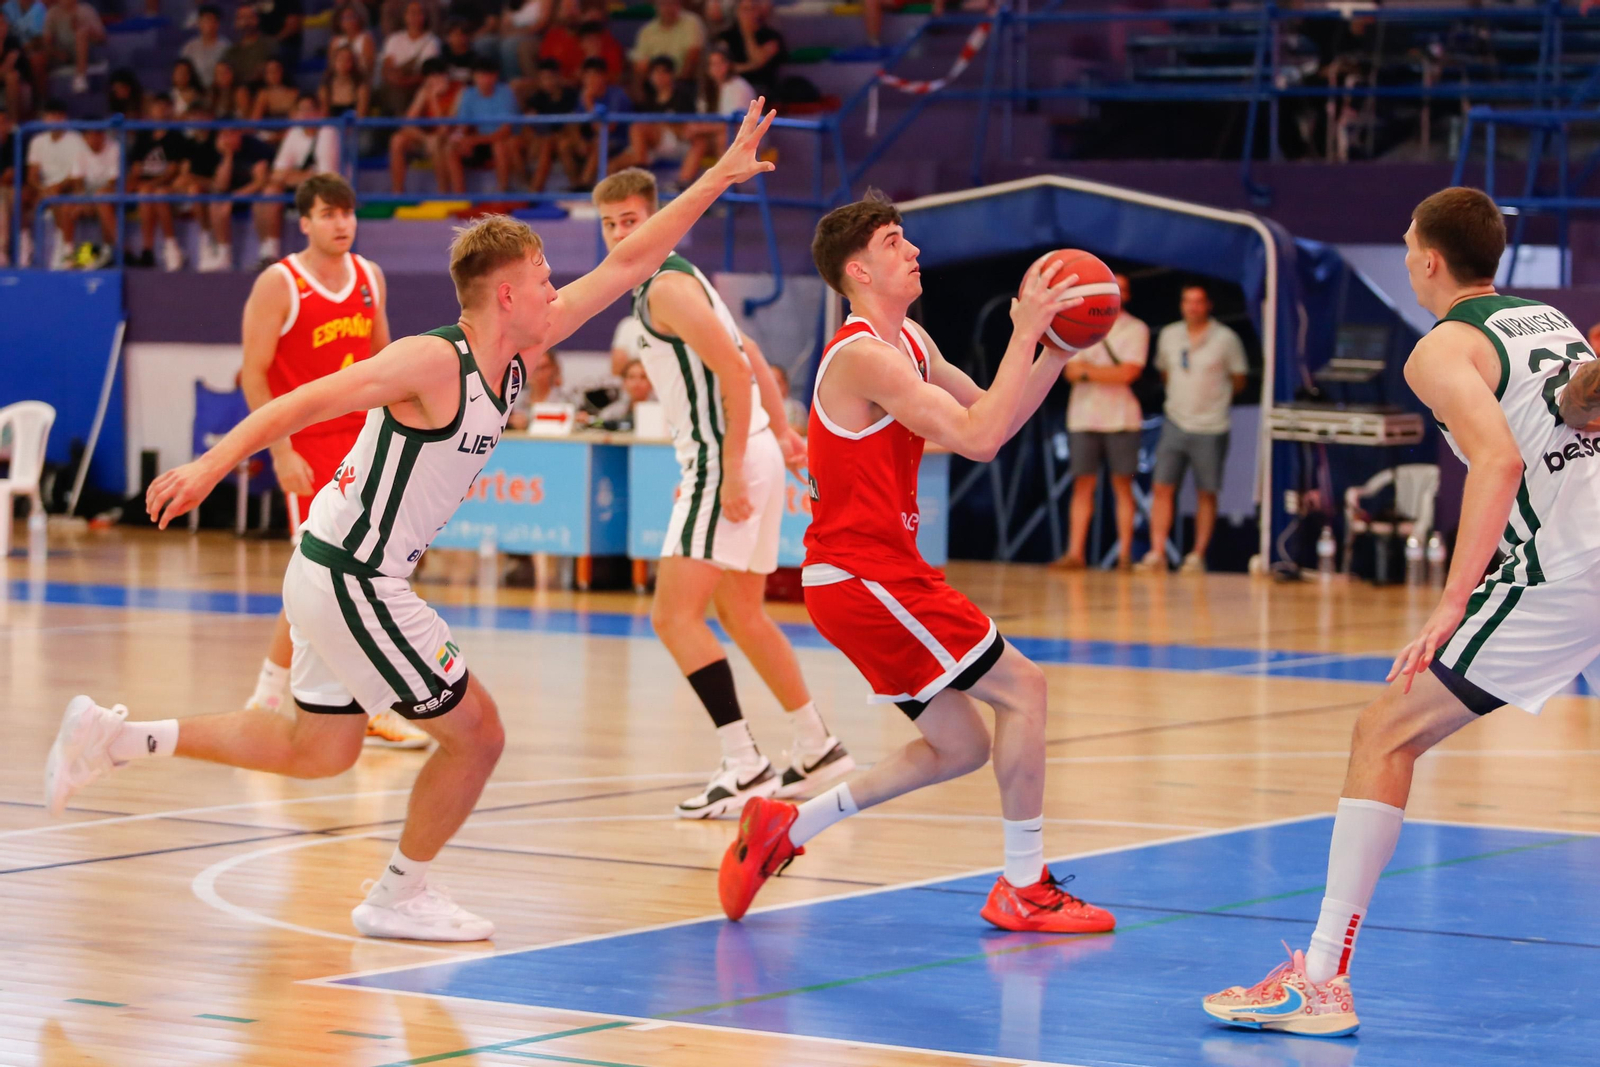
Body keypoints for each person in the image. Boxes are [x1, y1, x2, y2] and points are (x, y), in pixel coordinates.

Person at [45, 102, 777, 943]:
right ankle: (400, 891)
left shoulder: (516, 348)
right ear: (509, 294)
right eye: (544, 279)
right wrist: (212, 465)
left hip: (336, 569)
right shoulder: (435, 360)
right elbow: (302, 398)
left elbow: (635, 257)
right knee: (479, 734)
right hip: (355, 576)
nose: (558, 289)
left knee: (319, 749)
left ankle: (114, 738)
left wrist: (718, 177)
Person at [1204, 186, 1600, 1034]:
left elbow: (1495, 464)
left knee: (1383, 730)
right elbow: (1578, 418)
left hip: (1566, 566)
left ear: (1426, 259)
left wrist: (1451, 603)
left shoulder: (1438, 351)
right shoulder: (1551, 323)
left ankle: (1319, 981)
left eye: (1409, 241)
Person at [716, 191, 1117, 936]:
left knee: (960, 744)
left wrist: (1054, 349)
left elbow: (995, 414)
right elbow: (976, 435)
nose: (915, 252)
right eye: (897, 243)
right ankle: (1024, 884)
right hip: (862, 574)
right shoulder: (863, 355)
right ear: (859, 270)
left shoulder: (914, 344)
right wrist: (1026, 330)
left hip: (873, 575)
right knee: (1025, 690)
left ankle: (787, 827)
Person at [593, 167, 852, 817]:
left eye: (633, 219)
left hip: (725, 456)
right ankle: (818, 745)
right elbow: (754, 349)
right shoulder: (681, 276)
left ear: (659, 218)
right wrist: (783, 434)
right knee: (742, 613)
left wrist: (732, 465)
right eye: (611, 224)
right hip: (749, 446)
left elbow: (736, 367)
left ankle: (745, 764)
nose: (622, 232)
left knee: (672, 615)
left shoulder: (667, 287)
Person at [232, 174, 430, 748]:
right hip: (307, 443)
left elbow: (386, 363)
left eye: (347, 213)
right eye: (328, 214)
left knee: (367, 573)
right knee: (315, 577)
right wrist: (281, 449)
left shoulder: (370, 277)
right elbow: (253, 372)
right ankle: (272, 694)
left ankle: (353, 700)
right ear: (304, 223)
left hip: (367, 439)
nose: (342, 223)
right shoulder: (280, 283)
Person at [1137, 284, 1247, 573]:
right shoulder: (1170, 335)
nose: (1192, 307)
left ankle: (1197, 555)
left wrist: (1214, 399)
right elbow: (1164, 372)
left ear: (1208, 305)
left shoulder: (1226, 338)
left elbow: (1239, 379)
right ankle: (1157, 552)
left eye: (1198, 302)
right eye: (1187, 301)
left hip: (1211, 425)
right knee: (1162, 487)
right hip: (1175, 420)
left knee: (1206, 491)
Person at [1053, 272, 1148, 571]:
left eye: (1122, 289)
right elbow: (1069, 372)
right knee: (1082, 484)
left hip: (1121, 417)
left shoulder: (1136, 329)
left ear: (1127, 295)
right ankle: (1075, 553)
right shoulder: (1079, 323)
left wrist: (1088, 371)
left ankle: (1124, 556)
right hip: (1083, 416)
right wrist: (1104, 373)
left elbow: (1129, 373)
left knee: (1122, 484)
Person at [255, 93, 340, 268]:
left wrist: (290, 176)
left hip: (327, 190)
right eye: (302, 110)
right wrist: (302, 175)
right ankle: (269, 254)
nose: (306, 115)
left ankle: (323, 258)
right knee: (266, 195)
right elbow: (277, 174)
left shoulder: (328, 132)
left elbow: (324, 177)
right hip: (300, 188)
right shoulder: (294, 133)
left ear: (319, 113)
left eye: (310, 110)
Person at [678, 42, 752, 186]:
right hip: (719, 134)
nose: (716, 68)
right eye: (712, 64)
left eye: (720, 63)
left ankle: (725, 190)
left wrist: (700, 128)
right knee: (700, 141)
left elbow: (735, 123)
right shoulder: (707, 89)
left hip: (746, 138)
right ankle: (683, 184)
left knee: (724, 137)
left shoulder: (739, 86)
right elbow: (703, 119)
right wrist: (694, 129)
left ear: (729, 65)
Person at [443, 55, 519, 193]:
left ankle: (502, 194)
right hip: (480, 141)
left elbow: (505, 131)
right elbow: (463, 126)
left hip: (502, 140)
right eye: (480, 75)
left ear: (495, 76)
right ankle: (460, 197)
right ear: (474, 76)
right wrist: (460, 138)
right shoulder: (468, 94)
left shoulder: (506, 93)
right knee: (451, 148)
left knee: (499, 146)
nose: (484, 79)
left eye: (488, 75)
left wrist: (473, 140)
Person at [608, 55, 693, 177]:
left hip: (677, 143)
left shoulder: (682, 97)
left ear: (672, 75)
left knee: (638, 128)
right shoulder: (649, 100)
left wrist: (662, 125)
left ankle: (641, 170)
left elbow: (686, 130)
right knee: (612, 166)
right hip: (650, 147)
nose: (659, 77)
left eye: (664, 72)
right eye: (656, 73)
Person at [204, 123, 274, 270]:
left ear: (239, 133)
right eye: (223, 134)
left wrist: (234, 198)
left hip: (253, 194)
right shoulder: (219, 151)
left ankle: (267, 254)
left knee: (265, 197)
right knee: (216, 202)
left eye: (231, 133)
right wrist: (227, 156)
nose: (226, 138)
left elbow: (260, 182)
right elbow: (220, 186)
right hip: (232, 196)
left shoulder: (255, 147)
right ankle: (224, 256)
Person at [22, 97, 80, 268]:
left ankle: (64, 248)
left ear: (64, 117)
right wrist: (41, 188)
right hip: (44, 188)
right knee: (20, 195)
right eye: (50, 115)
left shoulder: (75, 140)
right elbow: (32, 176)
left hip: (66, 189)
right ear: (45, 118)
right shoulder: (37, 141)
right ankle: (24, 242)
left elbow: (76, 177)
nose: (54, 119)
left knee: (55, 196)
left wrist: (56, 187)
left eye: (58, 115)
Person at [388, 57, 457, 194]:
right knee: (397, 140)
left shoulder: (458, 91)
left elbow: (444, 129)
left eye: (440, 75)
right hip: (429, 139)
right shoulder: (424, 91)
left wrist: (433, 99)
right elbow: (407, 123)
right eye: (431, 76)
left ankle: (443, 193)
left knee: (437, 141)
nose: (436, 79)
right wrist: (425, 138)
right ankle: (397, 193)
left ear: (447, 75)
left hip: (450, 139)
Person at [520, 56, 578, 193]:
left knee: (556, 144)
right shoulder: (537, 98)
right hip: (544, 141)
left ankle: (535, 192)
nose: (547, 82)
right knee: (543, 144)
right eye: (543, 79)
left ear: (558, 77)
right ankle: (528, 187)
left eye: (550, 78)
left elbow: (574, 126)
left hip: (570, 139)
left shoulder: (571, 96)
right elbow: (530, 125)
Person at [64, 121, 117, 267]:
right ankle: (68, 253)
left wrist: (90, 201)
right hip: (90, 198)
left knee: (103, 198)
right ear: (86, 137)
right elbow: (77, 182)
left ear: (103, 136)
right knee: (66, 206)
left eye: (97, 135)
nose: (94, 139)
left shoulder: (114, 148)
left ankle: (115, 251)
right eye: (90, 136)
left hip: (113, 195)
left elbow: (113, 183)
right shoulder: (80, 150)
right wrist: (82, 201)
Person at [377, 0, 439, 116]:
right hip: (393, 87)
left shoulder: (431, 41)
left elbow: (427, 74)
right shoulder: (394, 39)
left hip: (416, 88)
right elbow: (387, 67)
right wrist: (395, 80)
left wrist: (403, 82)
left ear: (425, 16)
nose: (414, 17)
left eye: (419, 13)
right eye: (411, 13)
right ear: (404, 16)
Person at [717, 0, 783, 99]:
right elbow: (719, 67)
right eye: (745, 10)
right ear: (736, 13)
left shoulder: (771, 37)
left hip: (762, 89)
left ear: (758, 12)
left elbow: (758, 61)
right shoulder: (725, 37)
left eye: (752, 9)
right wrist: (751, 66)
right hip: (730, 86)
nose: (748, 14)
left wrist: (747, 33)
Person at [631, 0, 703, 88]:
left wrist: (676, 87)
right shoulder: (646, 31)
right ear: (656, 6)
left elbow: (693, 57)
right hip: (655, 86)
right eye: (663, 4)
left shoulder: (691, 22)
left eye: (672, 3)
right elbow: (640, 64)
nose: (668, 8)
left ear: (679, 4)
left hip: (684, 83)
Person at [40, 0, 103, 95]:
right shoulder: (52, 13)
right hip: (62, 55)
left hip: (87, 54)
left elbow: (102, 38)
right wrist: (57, 53)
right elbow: (46, 42)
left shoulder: (86, 10)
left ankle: (80, 78)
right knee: (38, 57)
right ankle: (42, 99)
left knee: (81, 33)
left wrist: (87, 30)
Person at [221, 4, 275, 89]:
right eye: (241, 18)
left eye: (249, 17)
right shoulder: (231, 51)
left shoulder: (270, 44)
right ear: (236, 22)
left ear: (257, 19)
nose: (246, 22)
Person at [180, 4, 230, 88]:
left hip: (217, 90)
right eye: (205, 20)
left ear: (217, 24)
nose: (209, 24)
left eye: (212, 21)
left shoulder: (226, 47)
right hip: (194, 90)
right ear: (199, 23)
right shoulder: (190, 47)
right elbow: (183, 70)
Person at [594, 356, 653, 425]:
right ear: (624, 383)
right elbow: (598, 422)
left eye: (643, 377)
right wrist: (588, 420)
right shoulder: (615, 411)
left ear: (651, 382)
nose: (637, 382)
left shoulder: (661, 411)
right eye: (631, 377)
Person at [320, 43, 370, 118]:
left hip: (355, 128)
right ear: (334, 61)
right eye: (340, 59)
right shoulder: (326, 87)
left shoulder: (361, 87)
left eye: (348, 60)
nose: (343, 63)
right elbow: (324, 116)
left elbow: (361, 117)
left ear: (353, 63)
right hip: (332, 127)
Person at [329, 4, 378, 82]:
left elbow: (370, 67)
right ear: (340, 22)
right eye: (346, 18)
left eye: (352, 17)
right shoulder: (335, 41)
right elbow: (331, 66)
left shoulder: (366, 39)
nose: (349, 20)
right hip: (339, 79)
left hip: (361, 79)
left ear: (358, 19)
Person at [256, 0, 305, 73]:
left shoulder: (290, 2)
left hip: (286, 44)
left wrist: (274, 41)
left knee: (273, 56)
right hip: (263, 42)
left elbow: (293, 25)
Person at [770, 362, 806, 433]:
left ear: (786, 384)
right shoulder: (758, 409)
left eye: (777, 383)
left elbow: (800, 430)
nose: (773, 387)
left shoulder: (796, 408)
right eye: (770, 383)